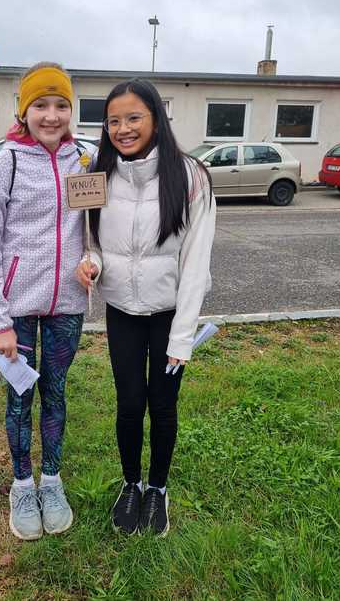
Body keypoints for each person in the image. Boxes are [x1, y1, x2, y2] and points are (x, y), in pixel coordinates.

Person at [76, 79, 216, 536]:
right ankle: (132, 483)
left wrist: (182, 337)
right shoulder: (98, 173)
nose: (123, 129)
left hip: (169, 316)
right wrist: (92, 264)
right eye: (113, 121)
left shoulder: (191, 176)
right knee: (130, 402)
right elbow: (92, 243)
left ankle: (158, 487)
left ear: (156, 118)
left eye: (134, 117)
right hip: (122, 313)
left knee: (163, 405)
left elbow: (196, 263)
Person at [0, 62, 86, 541]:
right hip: (15, 310)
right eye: (41, 105)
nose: (51, 115)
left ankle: (52, 483)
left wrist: (94, 259)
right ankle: (22, 486)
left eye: (61, 105)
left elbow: (97, 227)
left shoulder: (85, 162)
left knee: (55, 393)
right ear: (24, 110)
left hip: (68, 305)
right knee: (20, 398)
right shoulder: (3, 166)